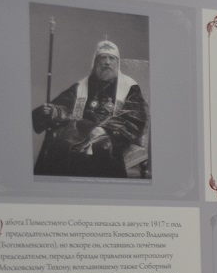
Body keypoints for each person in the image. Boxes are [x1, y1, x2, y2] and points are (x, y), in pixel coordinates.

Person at [32, 39, 149, 178]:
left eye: (111, 58)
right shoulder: (83, 85)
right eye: (103, 58)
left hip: (114, 132)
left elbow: (134, 115)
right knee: (55, 140)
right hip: (83, 129)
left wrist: (105, 129)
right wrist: (54, 111)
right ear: (95, 62)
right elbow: (65, 104)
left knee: (99, 147)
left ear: (117, 63)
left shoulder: (129, 86)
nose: (107, 62)